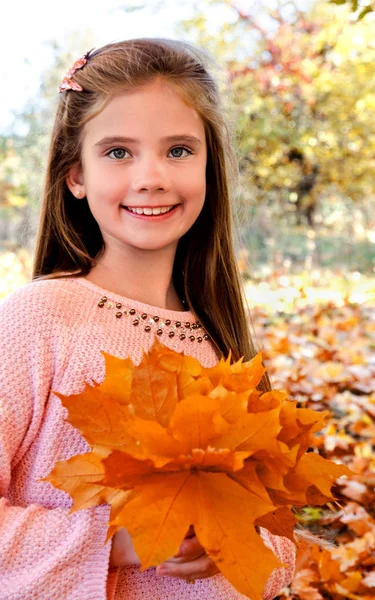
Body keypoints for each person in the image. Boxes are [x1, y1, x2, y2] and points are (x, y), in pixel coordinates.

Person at [0, 39, 296, 600]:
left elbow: (278, 549)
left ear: (210, 165)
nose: (152, 176)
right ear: (74, 175)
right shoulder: (36, 321)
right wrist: (118, 540)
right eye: (118, 152)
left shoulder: (220, 337)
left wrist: (229, 540)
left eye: (179, 150)